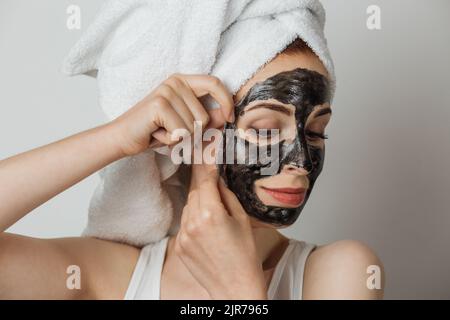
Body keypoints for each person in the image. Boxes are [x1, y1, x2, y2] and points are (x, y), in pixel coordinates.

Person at [0, 38, 384, 299]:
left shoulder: (338, 272)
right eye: (266, 131)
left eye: (317, 133)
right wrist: (117, 138)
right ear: (197, 136)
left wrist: (238, 287)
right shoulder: (114, 275)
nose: (301, 162)